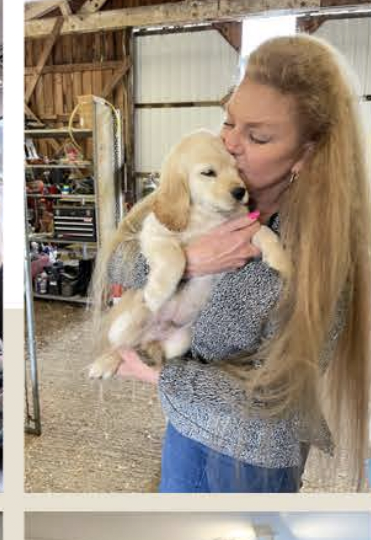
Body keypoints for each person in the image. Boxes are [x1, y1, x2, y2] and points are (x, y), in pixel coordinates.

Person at [107, 35, 371, 492]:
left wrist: (161, 374)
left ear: (307, 153)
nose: (230, 143)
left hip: (253, 456)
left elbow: (281, 401)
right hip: (185, 427)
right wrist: (187, 262)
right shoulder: (203, 187)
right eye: (229, 121)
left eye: (257, 135)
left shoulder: (325, 254)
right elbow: (116, 259)